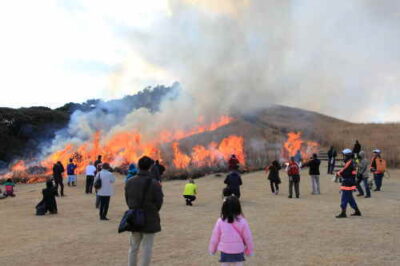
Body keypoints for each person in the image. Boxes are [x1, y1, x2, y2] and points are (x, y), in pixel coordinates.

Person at [125, 156, 164, 266]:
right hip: (150, 219)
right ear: (150, 167)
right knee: (147, 248)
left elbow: (128, 200)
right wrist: (152, 211)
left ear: (138, 166)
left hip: (134, 217)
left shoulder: (129, 182)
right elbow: (159, 202)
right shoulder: (155, 184)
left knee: (133, 247)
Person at [209, 196, 254, 266]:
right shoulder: (243, 221)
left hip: (225, 250)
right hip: (238, 250)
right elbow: (248, 238)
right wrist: (249, 251)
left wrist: (212, 250)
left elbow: (215, 237)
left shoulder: (220, 221)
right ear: (238, 207)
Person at [336, 149, 362, 218]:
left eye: (344, 155)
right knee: (350, 198)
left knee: (344, 197)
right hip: (350, 181)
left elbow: (345, 172)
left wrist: (338, 173)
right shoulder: (351, 162)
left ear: (347, 155)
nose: (343, 157)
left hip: (347, 182)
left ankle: (343, 213)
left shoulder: (349, 162)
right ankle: (357, 211)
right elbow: (346, 170)